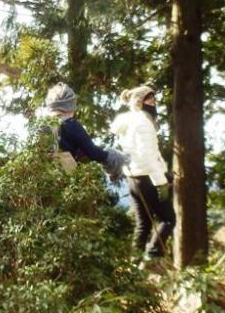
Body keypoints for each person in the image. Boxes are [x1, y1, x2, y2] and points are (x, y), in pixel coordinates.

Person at [110, 85, 176, 260]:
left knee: (143, 224)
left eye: (154, 99)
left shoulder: (130, 121)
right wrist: (161, 182)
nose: (153, 102)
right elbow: (147, 156)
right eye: (149, 99)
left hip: (133, 178)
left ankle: (134, 266)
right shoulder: (143, 123)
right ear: (140, 102)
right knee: (168, 219)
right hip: (148, 177)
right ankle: (152, 257)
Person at [45, 82, 127, 177]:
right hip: (68, 178)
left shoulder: (45, 125)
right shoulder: (70, 124)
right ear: (69, 105)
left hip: (48, 176)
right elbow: (93, 152)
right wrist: (115, 158)